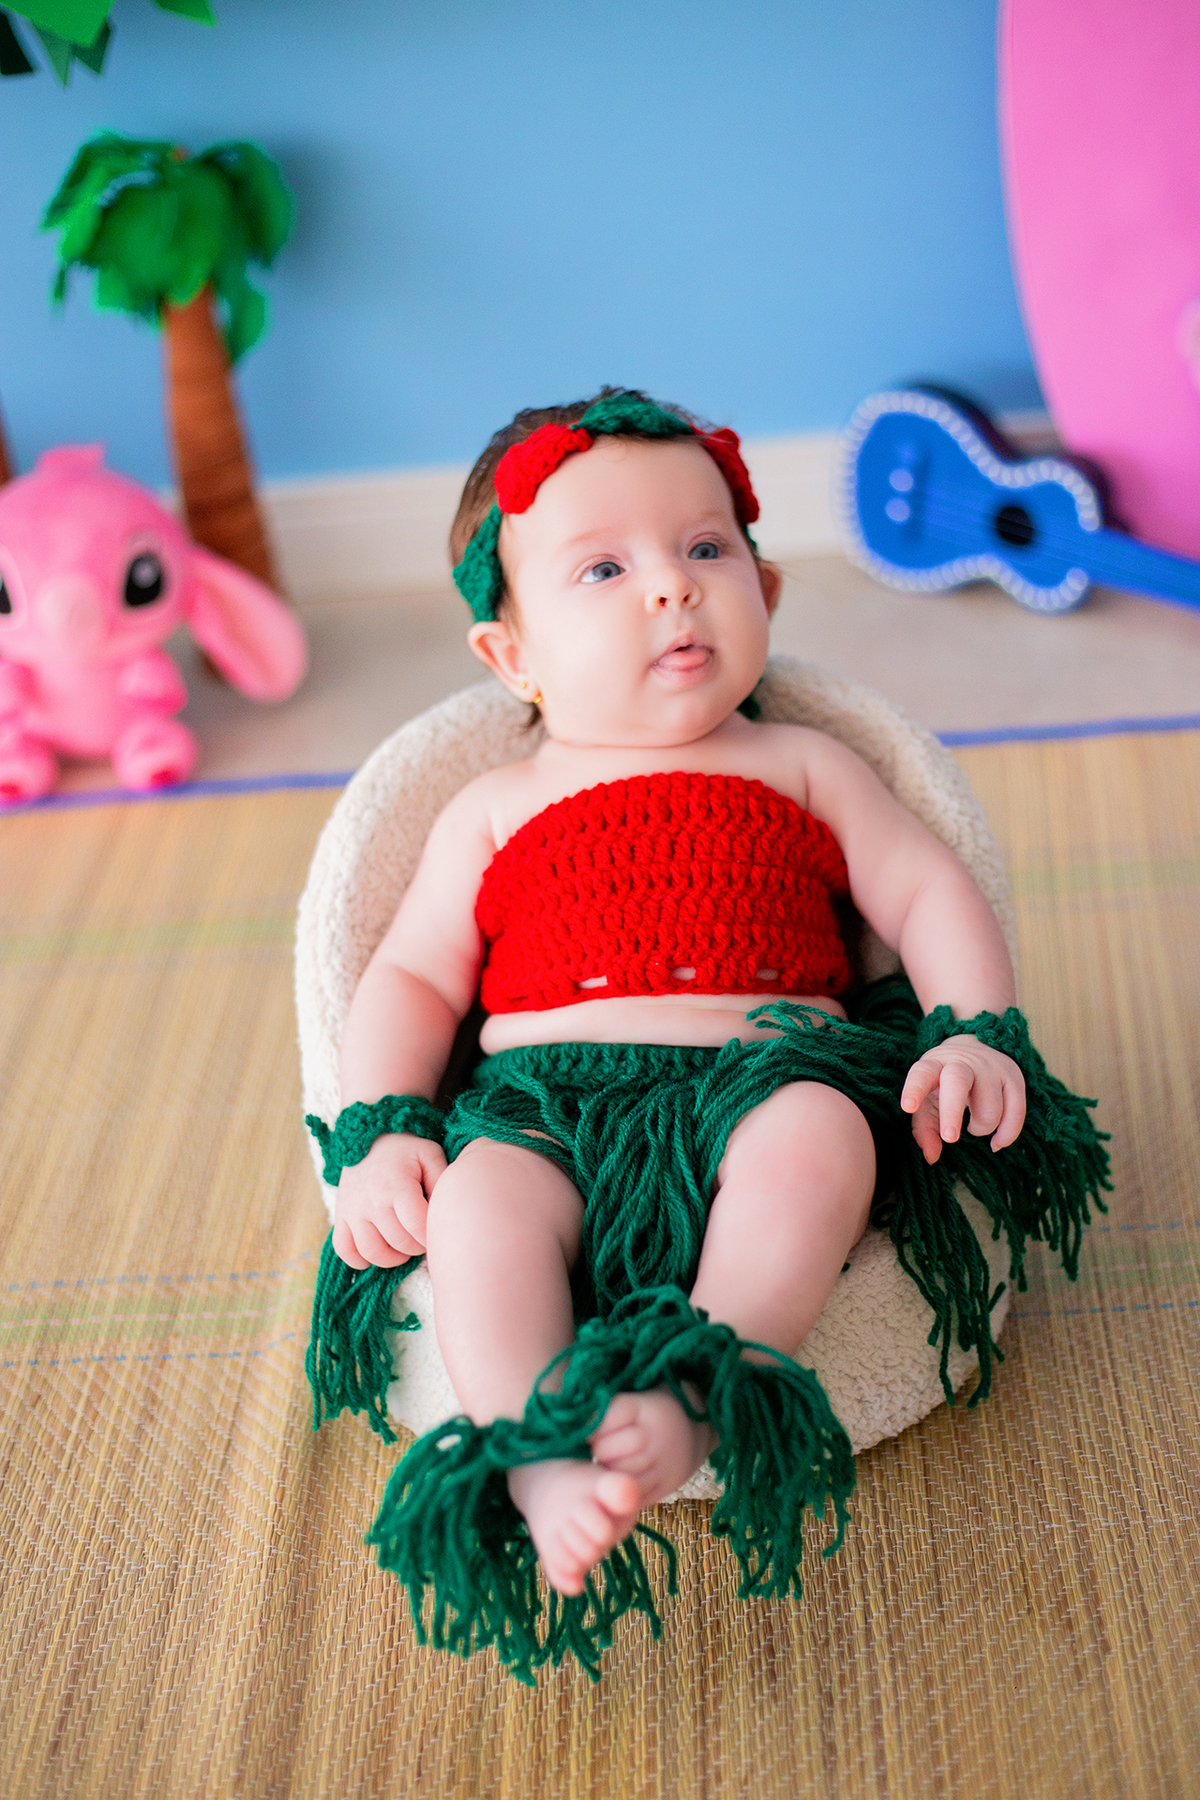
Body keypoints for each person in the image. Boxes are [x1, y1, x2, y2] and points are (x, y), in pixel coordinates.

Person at [306, 388, 1108, 1683]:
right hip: (546, 1103)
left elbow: (924, 886)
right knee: (481, 1211)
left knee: (822, 1139)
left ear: (767, 588)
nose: (670, 593)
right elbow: (406, 974)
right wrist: (384, 1125)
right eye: (603, 569)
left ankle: (707, 1383)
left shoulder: (799, 764)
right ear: (511, 655)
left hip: (764, 1067)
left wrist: (973, 1030)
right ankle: (534, 1441)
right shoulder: (493, 806)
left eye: (704, 549)